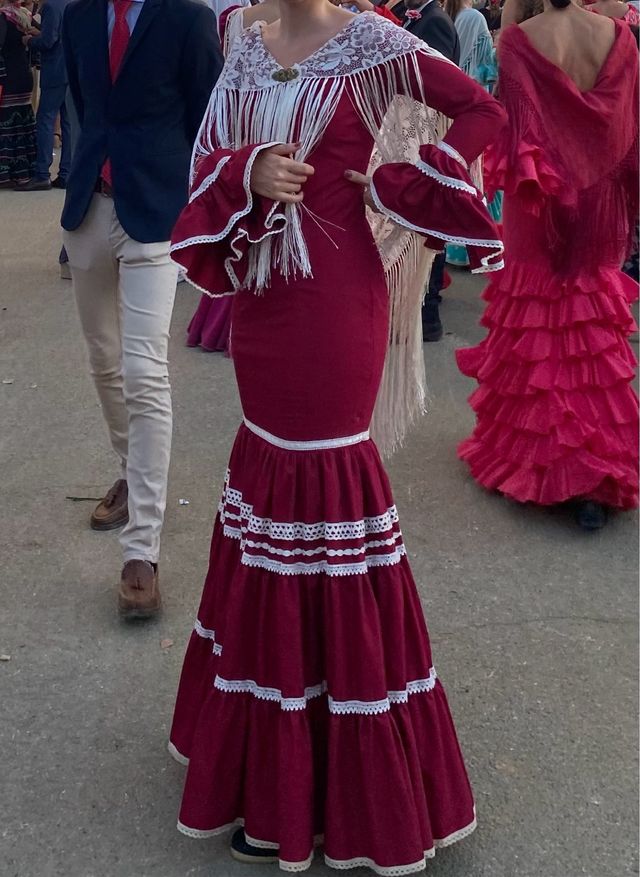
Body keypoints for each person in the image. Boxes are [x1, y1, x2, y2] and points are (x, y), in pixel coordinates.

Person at [168, 4, 505, 872]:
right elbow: (205, 154)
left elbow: (482, 111)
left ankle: (337, 777)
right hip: (261, 304)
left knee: (322, 492)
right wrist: (248, 171)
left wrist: (404, 183)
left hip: (336, 298)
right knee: (267, 490)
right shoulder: (244, 40)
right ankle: (267, 763)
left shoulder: (377, 44)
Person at [61, 0, 223, 616]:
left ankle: (142, 549)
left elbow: (209, 118)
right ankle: (130, 472)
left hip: (156, 217)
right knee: (103, 361)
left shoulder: (187, 18)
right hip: (89, 210)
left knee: (144, 373)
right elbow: (84, 103)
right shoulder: (78, 16)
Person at [457, 3, 639, 530]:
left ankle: (549, 466)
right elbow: (625, 124)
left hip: (539, 199)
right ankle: (595, 470)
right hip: (598, 195)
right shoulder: (621, 36)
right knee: (587, 320)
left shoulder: (518, 40)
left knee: (538, 315)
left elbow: (517, 132)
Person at [444, 0, 497, 268]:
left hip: (453, 102)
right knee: (474, 176)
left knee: (457, 173)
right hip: (473, 98)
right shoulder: (474, 17)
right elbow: (487, 66)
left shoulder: (450, 15)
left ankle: (456, 245)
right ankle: (472, 246)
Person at [17, 0, 70, 191]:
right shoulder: (71, 4)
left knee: (45, 119)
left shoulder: (51, 6)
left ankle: (42, 173)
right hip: (70, 71)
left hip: (55, 70)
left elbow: (49, 41)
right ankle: (66, 172)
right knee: (67, 122)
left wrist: (29, 41)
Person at [0, 0, 36, 187]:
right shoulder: (25, 16)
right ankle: (23, 171)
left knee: (6, 122)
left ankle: (5, 173)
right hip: (24, 73)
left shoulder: (4, 17)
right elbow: (42, 36)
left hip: (8, 77)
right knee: (21, 123)